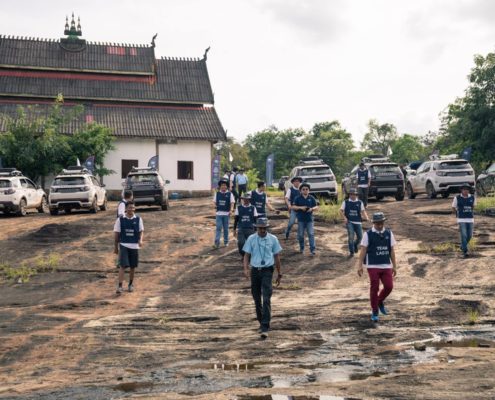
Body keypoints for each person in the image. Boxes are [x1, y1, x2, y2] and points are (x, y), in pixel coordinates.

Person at [243, 217, 282, 339]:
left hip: (267, 271)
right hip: (255, 270)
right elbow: (246, 255)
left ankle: (265, 326)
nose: (262, 230)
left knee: (266, 297)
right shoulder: (251, 239)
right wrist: (246, 269)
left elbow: (277, 257)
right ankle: (261, 322)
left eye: (264, 228)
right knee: (256, 298)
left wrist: (279, 273)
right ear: (256, 228)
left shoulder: (273, 239)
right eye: (260, 228)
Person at [357, 212, 397, 322]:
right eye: (377, 223)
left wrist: (394, 266)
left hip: (385, 264)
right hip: (372, 264)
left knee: (389, 286)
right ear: (373, 223)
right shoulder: (368, 234)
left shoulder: (389, 233)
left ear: (384, 222)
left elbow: (392, 250)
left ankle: (379, 301)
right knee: (374, 287)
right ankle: (374, 311)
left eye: (381, 223)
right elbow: (363, 250)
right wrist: (360, 265)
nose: (379, 225)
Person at [114, 201, 144, 294]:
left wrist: (141, 240)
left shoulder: (138, 219)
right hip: (124, 245)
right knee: (122, 266)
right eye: (130, 207)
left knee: (132, 266)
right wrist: (116, 247)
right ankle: (120, 286)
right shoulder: (120, 219)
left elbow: (141, 231)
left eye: (133, 208)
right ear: (126, 209)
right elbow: (116, 234)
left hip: (134, 246)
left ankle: (130, 285)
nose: (131, 209)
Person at [340, 188, 369, 257]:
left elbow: (363, 211)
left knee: (360, 237)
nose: (353, 196)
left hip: (358, 222)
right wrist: (345, 218)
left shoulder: (360, 202)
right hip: (349, 222)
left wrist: (366, 217)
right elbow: (341, 211)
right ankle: (351, 252)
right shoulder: (346, 202)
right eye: (351, 194)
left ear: (356, 195)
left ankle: (355, 245)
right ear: (349, 195)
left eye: (354, 194)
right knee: (351, 236)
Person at [292, 182, 318, 255]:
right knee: (300, 235)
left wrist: (312, 209)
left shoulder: (311, 198)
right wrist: (301, 207)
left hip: (309, 219)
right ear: (300, 190)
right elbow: (293, 207)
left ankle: (312, 250)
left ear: (309, 190)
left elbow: (316, 207)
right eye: (303, 189)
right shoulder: (297, 198)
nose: (305, 190)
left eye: (307, 189)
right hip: (301, 220)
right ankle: (302, 248)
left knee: (311, 234)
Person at [452, 183, 476, 258]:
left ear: (469, 190)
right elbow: (453, 207)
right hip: (461, 219)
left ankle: (462, 246)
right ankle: (465, 251)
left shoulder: (472, 197)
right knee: (464, 235)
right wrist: (457, 213)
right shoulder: (457, 198)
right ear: (461, 190)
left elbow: (473, 207)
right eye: (464, 189)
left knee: (469, 236)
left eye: (467, 189)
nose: (465, 191)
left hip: (470, 219)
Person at [233, 192, 258, 257]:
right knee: (241, 243)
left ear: (249, 200)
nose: (246, 200)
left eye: (247, 199)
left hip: (250, 228)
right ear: (243, 199)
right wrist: (234, 229)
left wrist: (256, 229)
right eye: (244, 199)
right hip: (241, 228)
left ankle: (249, 256)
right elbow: (236, 219)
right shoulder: (239, 208)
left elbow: (255, 219)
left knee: (251, 244)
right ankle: (243, 255)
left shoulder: (253, 208)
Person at [212, 179, 235, 248]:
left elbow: (232, 203)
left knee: (226, 228)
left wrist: (231, 210)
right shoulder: (217, 193)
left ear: (227, 186)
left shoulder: (230, 194)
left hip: (226, 214)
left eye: (224, 185)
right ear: (220, 186)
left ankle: (226, 241)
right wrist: (215, 205)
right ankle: (217, 243)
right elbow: (214, 201)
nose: (223, 186)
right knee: (218, 228)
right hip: (219, 214)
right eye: (222, 185)